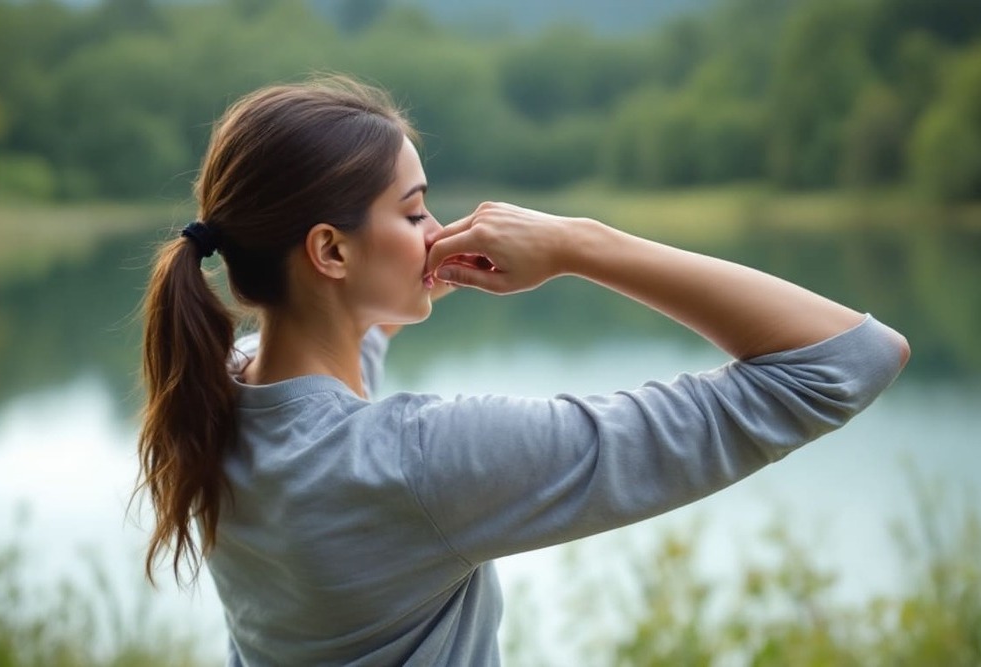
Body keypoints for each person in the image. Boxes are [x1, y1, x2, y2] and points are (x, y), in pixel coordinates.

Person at [135, 76, 909, 666]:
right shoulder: (419, 462)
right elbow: (842, 360)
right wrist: (579, 242)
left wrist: (411, 270)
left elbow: (338, 346)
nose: (437, 230)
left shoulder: (214, 405)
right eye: (414, 214)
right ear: (331, 252)